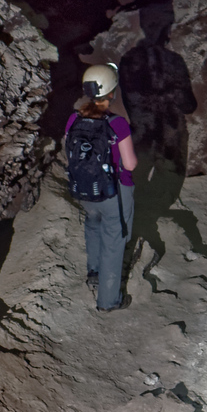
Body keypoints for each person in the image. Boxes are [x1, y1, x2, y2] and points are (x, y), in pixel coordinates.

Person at [65, 63, 138, 312]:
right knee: (114, 241)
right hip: (113, 192)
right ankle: (108, 301)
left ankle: (94, 272)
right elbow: (129, 164)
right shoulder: (117, 124)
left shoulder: (73, 119)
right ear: (111, 93)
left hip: (83, 189)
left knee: (93, 224)